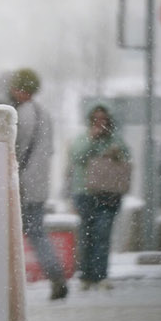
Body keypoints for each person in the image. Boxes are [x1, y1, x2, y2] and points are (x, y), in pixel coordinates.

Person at [8, 68, 68, 300]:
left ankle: (8, 284)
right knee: (38, 234)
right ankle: (56, 276)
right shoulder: (45, 114)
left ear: (22, 89)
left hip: (22, 187)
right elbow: (49, 151)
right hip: (39, 186)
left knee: (11, 235)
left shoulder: (21, 114)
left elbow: (14, 151)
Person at [68, 103, 131, 291]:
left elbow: (126, 158)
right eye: (96, 119)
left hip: (109, 194)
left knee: (103, 234)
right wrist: (92, 140)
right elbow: (76, 156)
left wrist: (115, 152)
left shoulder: (116, 139)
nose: (100, 122)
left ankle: (101, 275)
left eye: (103, 118)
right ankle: (86, 275)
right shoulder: (83, 138)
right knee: (86, 235)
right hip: (85, 193)